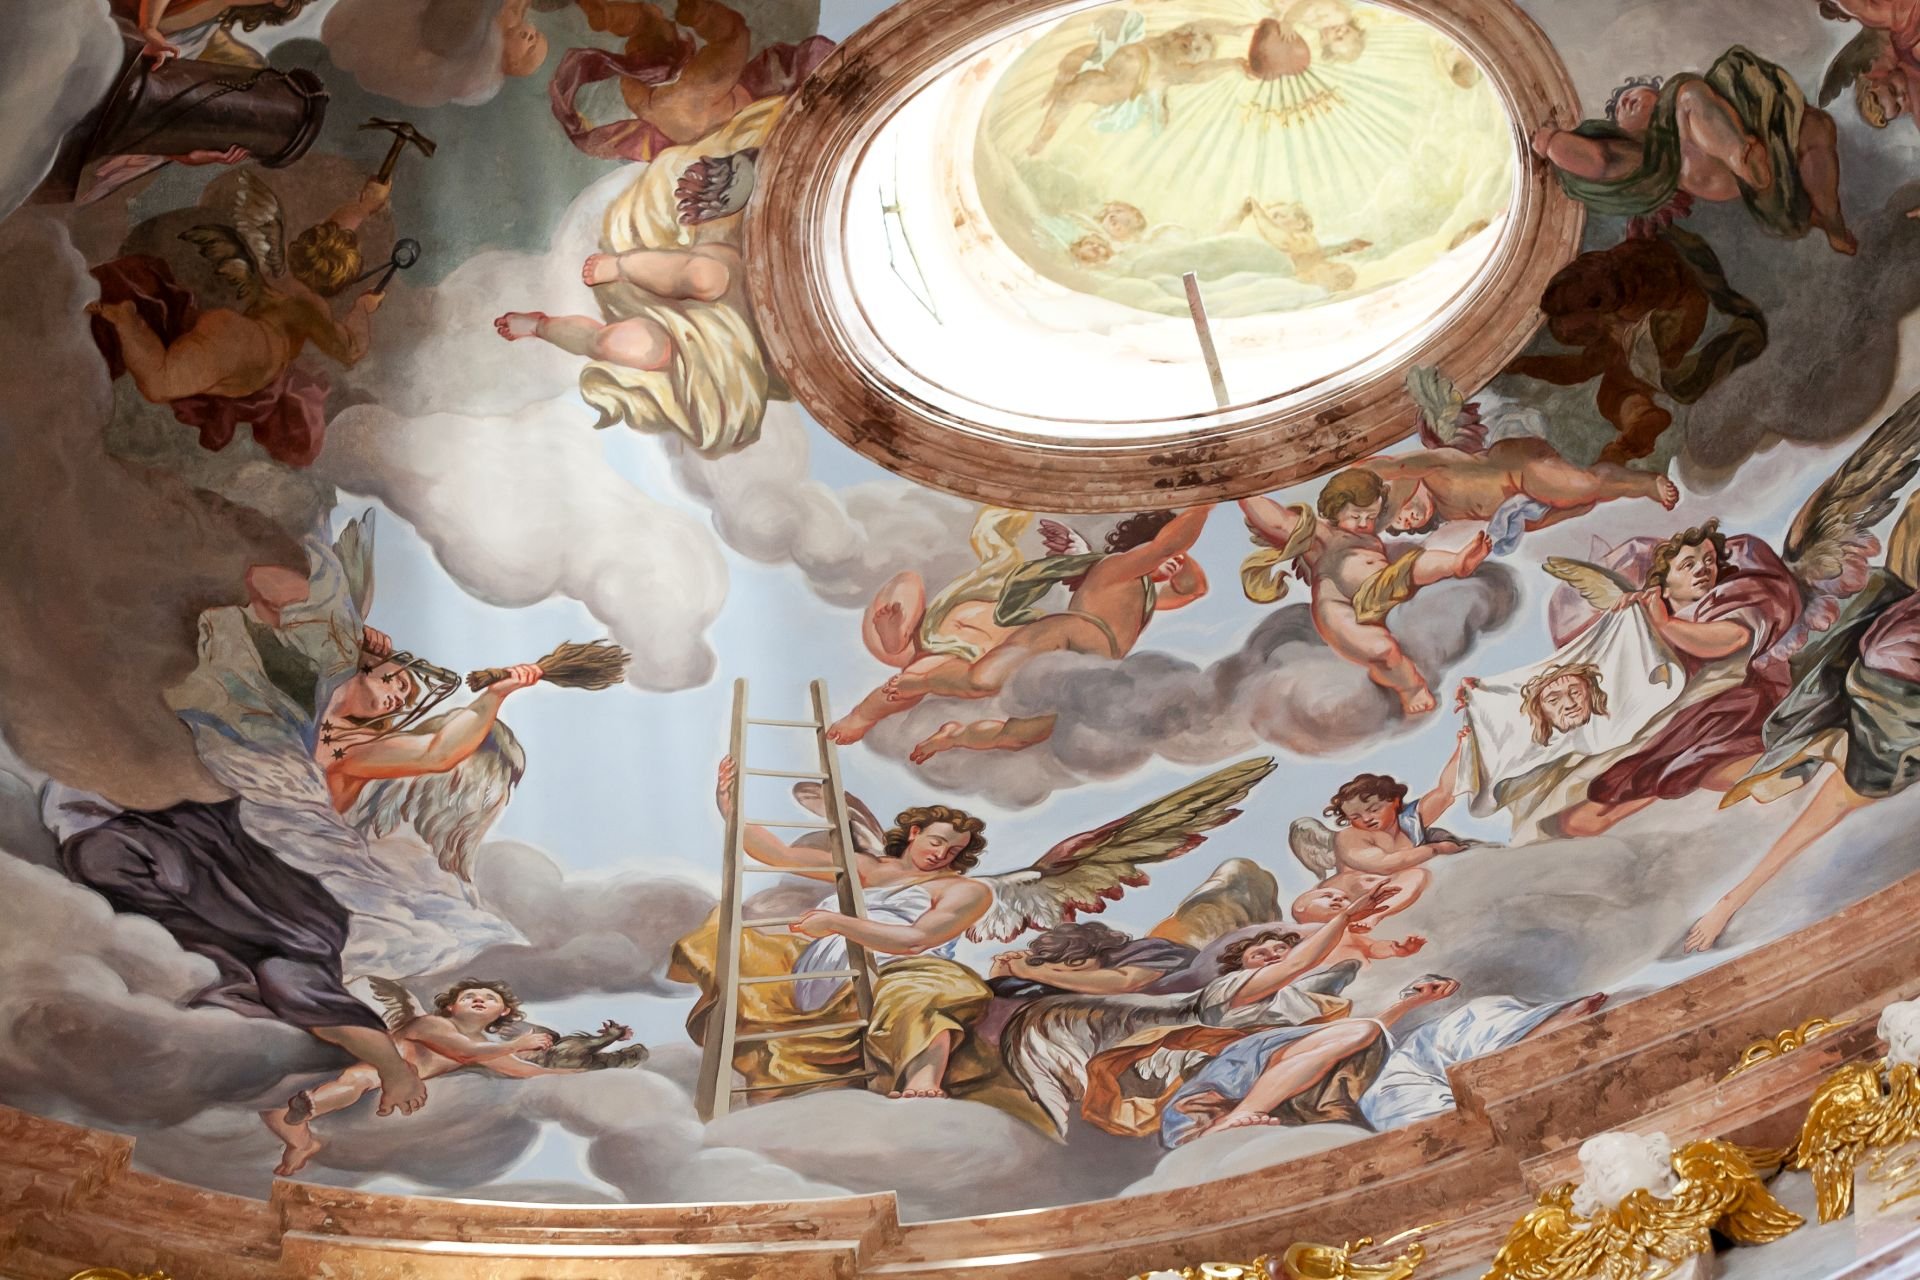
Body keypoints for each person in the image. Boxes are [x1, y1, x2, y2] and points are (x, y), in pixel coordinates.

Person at [56, 517, 539, 1123]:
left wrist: (495, 695)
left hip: (285, 873)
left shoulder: (356, 752)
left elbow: (439, 750)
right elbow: (263, 583)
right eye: (397, 681)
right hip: (219, 831)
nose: (399, 697)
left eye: (406, 700)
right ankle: (217, 960)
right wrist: (347, 633)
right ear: (367, 667)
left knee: (292, 964)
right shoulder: (302, 690)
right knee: (105, 855)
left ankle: (380, 1058)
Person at [670, 759, 1035, 1109]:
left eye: (954, 850)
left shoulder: (966, 889)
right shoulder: (866, 867)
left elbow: (917, 940)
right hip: (823, 969)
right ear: (914, 833)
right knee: (724, 937)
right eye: (937, 841)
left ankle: (923, 1080)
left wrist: (837, 923)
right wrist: (730, 809)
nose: (942, 854)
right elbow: (779, 855)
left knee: (929, 988)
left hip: (901, 965)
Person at [88, 170, 392, 468]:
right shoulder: (315, 312)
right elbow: (351, 349)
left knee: (173, 371)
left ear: (298, 247)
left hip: (240, 328)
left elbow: (330, 233)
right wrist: (362, 308)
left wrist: (364, 206)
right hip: (256, 346)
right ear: (339, 285)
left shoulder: (284, 265)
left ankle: (130, 321)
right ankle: (127, 321)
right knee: (160, 382)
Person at [880, 507, 1213, 764]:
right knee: (982, 681)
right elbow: (1166, 545)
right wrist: (1205, 505)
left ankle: (956, 736)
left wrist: (1179, 559)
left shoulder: (1148, 595)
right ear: (1143, 547)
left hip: (1088, 669)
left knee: (1020, 736)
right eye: (1169, 554)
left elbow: (1193, 589)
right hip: (1066, 634)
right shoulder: (1116, 568)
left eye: (1179, 558)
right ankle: (922, 681)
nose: (1175, 561)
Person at [1549, 520, 1800, 838]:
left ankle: (1794, 769)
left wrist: (1664, 624)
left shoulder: (1730, 601)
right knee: (1587, 812)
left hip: (1729, 708)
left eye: (1709, 561)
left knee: (1704, 765)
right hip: (1676, 719)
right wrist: (1628, 625)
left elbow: (1731, 638)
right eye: (1688, 564)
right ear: (1664, 584)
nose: (1703, 569)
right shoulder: (1650, 617)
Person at [1529, 50, 1854, 255]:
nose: (1624, 100)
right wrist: (1550, 142)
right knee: (1686, 93)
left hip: (1753, 146)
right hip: (1705, 168)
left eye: (1633, 92)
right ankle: (1739, 153)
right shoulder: (1647, 157)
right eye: (1618, 110)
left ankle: (1830, 218)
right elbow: (1597, 162)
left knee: (1816, 127)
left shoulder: (1699, 102)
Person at [1240, 470, 1493, 715]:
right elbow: (1279, 521)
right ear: (1335, 510)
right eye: (1356, 516)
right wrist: (1243, 490)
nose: (1364, 523)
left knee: (1413, 563)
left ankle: (1455, 563)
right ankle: (1412, 688)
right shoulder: (1321, 534)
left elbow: (1404, 485)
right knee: (1382, 650)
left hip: (1383, 585)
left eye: (1370, 516)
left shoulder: (1370, 535)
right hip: (1339, 603)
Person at [263, 980, 561, 1175]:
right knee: (353, 1082)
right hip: (382, 1064)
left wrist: (570, 1076)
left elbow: (523, 1070)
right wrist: (515, 1045)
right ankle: (309, 1109)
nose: (478, 999)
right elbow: (465, 1050)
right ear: (451, 1006)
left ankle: (303, 1139)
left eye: (489, 998)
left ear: (503, 1011)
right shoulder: (432, 1024)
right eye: (469, 996)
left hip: (395, 1081)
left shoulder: (490, 1049)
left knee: (294, 1109)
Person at [826, 507, 1032, 746]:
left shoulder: (944, 663)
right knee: (907, 583)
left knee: (913, 678)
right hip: (939, 629)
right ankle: (897, 638)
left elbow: (908, 684)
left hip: (953, 643)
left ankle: (892, 648)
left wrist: (862, 717)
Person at [1371, 437, 1678, 549]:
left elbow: (1397, 469)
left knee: (1583, 488)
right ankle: (1612, 467)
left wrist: (1379, 519)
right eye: (1405, 526)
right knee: (1582, 503)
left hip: (1520, 469)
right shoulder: (1448, 512)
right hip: (1523, 502)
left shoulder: (1432, 469)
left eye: (1400, 515)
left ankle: (1644, 483)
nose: (1407, 520)